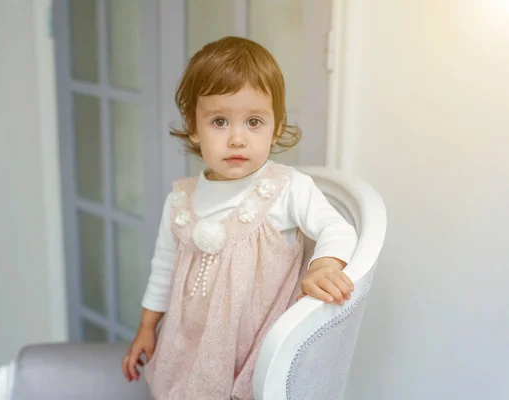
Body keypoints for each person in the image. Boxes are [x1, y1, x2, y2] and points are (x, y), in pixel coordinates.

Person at [121, 36, 358, 399]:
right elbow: (163, 269)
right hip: (188, 345)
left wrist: (323, 266)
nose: (236, 138)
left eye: (254, 121)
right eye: (219, 121)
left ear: (276, 126)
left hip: (253, 351)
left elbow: (336, 227)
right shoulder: (180, 200)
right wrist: (146, 328)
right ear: (193, 128)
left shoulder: (286, 188)